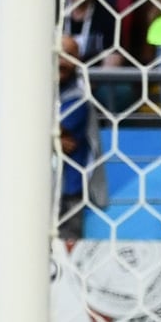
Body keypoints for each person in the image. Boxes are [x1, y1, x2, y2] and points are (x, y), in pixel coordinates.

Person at [57, 35, 104, 240]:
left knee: (67, 251)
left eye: (68, 55)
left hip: (69, 190)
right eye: (58, 54)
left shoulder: (78, 97)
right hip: (39, 187)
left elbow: (55, 129)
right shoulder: (37, 93)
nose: (61, 61)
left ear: (78, 60)